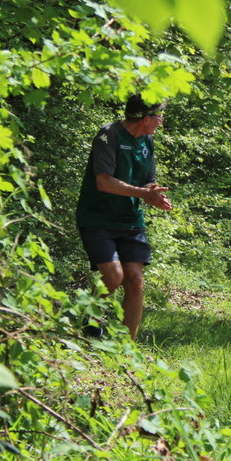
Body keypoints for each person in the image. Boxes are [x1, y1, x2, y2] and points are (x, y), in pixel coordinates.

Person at [76, 94, 173, 340]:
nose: (161, 120)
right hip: (97, 218)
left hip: (129, 219)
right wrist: (143, 193)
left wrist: (154, 193)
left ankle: (127, 348)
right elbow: (104, 181)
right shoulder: (108, 135)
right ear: (144, 118)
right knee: (113, 275)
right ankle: (90, 320)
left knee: (135, 280)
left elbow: (148, 180)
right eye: (158, 115)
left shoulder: (147, 141)